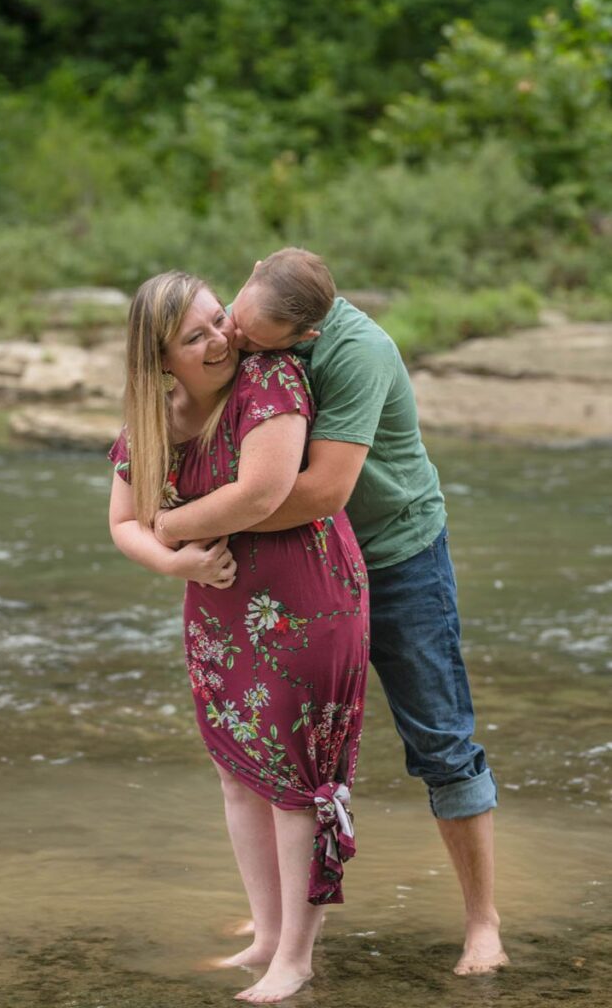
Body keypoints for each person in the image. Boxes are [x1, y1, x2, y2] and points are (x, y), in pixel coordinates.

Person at [219, 248, 508, 977]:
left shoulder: (357, 353)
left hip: (394, 554)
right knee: (276, 742)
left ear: (303, 339)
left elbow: (322, 492)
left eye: (256, 341)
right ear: (249, 275)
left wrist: (201, 521)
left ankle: (483, 924)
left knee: (440, 742)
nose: (237, 342)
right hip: (300, 561)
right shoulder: (244, 330)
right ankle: (273, 921)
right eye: (234, 321)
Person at [107, 271, 369, 1004]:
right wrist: (171, 559)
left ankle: (297, 956)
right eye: (196, 336)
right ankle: (263, 934)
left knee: (296, 782)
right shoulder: (153, 418)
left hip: (305, 598)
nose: (222, 337)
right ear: (160, 361)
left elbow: (261, 490)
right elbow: (122, 522)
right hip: (218, 609)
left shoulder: (270, 380)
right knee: (237, 772)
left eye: (219, 319)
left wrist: (176, 522)